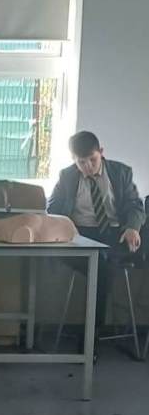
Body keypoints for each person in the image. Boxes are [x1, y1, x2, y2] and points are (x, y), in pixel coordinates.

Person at [48, 129, 145, 335]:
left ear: (101, 152)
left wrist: (132, 227)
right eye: (81, 162)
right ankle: (93, 334)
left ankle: (91, 336)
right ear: (73, 159)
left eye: (92, 160)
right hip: (79, 235)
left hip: (114, 234)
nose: (88, 166)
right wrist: (65, 227)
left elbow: (135, 206)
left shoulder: (121, 172)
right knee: (101, 266)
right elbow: (53, 208)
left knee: (102, 264)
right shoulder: (67, 176)